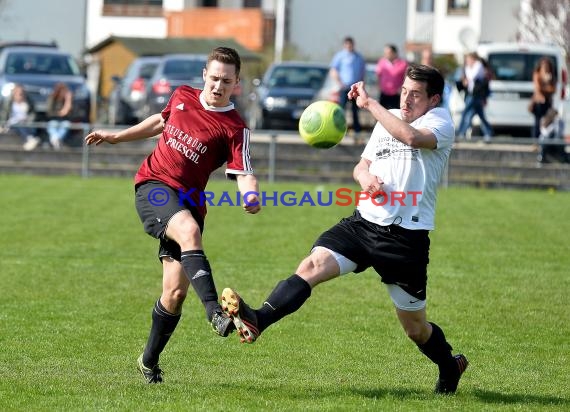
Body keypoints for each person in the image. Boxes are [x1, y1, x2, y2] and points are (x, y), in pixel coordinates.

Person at [221, 64, 469, 395]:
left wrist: (369, 105)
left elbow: (410, 137)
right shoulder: (388, 117)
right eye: (405, 91)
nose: (407, 99)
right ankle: (257, 320)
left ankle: (449, 365)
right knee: (310, 266)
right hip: (363, 223)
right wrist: (365, 178)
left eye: (416, 94)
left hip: (404, 240)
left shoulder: (439, 122)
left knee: (415, 328)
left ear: (434, 99)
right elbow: (363, 164)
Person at [84, 47, 261, 384]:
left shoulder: (235, 128)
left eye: (226, 80)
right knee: (190, 232)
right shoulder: (182, 95)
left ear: (236, 82)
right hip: (153, 186)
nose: (218, 86)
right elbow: (161, 121)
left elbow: (244, 171)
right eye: (214, 78)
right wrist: (117, 136)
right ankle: (214, 313)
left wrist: (250, 194)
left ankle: (148, 361)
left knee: (175, 294)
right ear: (204, 75)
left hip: (189, 201)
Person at [329, 36, 366, 136]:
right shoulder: (340, 56)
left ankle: (357, 131)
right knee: (341, 109)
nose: (349, 46)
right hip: (344, 87)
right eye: (347, 44)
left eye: (351, 44)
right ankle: (338, 129)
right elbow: (333, 70)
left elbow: (362, 71)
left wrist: (361, 84)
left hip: (355, 88)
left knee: (355, 110)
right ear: (344, 45)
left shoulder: (358, 57)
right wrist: (339, 83)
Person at [456, 52, 493, 142]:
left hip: (475, 95)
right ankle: (488, 133)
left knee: (465, 113)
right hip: (471, 94)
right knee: (480, 115)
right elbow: (466, 80)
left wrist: (466, 77)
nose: (467, 62)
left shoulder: (478, 66)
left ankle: (460, 133)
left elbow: (472, 77)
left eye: (469, 60)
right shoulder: (469, 68)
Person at [0, 84, 41, 151]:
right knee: (19, 124)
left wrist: (28, 120)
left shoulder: (29, 102)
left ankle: (30, 139)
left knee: (22, 125)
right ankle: (30, 139)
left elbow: (32, 115)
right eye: (18, 92)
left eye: (21, 92)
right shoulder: (9, 102)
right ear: (14, 92)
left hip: (26, 123)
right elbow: (4, 114)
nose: (20, 94)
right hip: (12, 123)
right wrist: (2, 124)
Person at [375, 44, 408, 109]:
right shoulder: (381, 62)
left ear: (394, 53)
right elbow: (378, 75)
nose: (386, 54)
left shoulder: (403, 64)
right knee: (381, 113)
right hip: (384, 94)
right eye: (385, 53)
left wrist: (402, 89)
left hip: (396, 94)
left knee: (395, 114)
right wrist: (379, 86)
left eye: (388, 53)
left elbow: (406, 78)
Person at [530, 57, 556, 138]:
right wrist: (546, 86)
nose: (546, 67)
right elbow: (538, 88)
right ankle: (535, 141)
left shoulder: (551, 76)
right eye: (544, 65)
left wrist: (548, 83)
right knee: (537, 123)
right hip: (539, 102)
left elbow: (553, 89)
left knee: (548, 122)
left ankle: (545, 141)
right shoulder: (537, 74)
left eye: (547, 65)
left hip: (548, 102)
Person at [46, 82, 73, 150]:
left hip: (64, 120)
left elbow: (69, 113)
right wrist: (59, 113)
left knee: (66, 124)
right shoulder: (52, 98)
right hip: (53, 119)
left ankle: (55, 140)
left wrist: (68, 101)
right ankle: (57, 141)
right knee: (53, 124)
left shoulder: (67, 100)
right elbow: (49, 112)